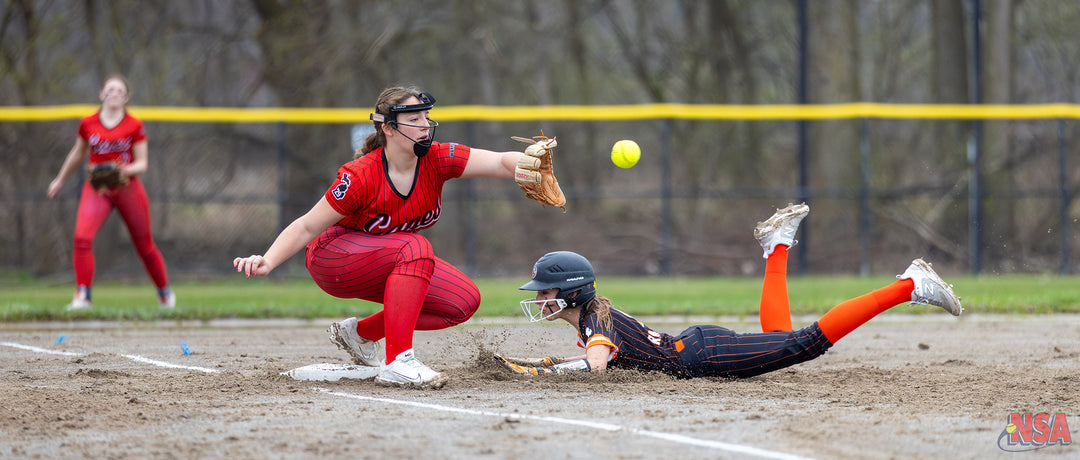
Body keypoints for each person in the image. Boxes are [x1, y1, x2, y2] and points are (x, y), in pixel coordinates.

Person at [233, 86, 559, 388]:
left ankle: (361, 334)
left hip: (390, 259)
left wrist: (526, 164)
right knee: (416, 247)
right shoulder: (361, 175)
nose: (424, 125)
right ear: (388, 128)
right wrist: (268, 259)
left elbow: (501, 162)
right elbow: (307, 226)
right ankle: (399, 361)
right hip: (332, 257)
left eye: (426, 117)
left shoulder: (437, 158)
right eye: (413, 119)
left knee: (462, 302)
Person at [499, 203, 963, 378]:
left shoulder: (596, 321)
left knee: (804, 344)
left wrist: (540, 373)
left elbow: (596, 365)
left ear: (572, 292)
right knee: (782, 334)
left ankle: (909, 285)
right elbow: (589, 356)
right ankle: (776, 246)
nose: (540, 299)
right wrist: (530, 366)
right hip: (700, 345)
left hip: (706, 356)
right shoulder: (590, 318)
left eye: (545, 292)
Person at [46, 74, 175, 311]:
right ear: (101, 94)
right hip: (98, 188)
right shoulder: (88, 123)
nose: (114, 93)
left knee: (144, 246)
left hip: (127, 187)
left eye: (120, 91)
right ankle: (83, 296)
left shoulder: (134, 124)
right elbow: (77, 153)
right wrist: (60, 179)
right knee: (82, 239)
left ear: (126, 97)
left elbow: (142, 163)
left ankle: (165, 294)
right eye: (110, 89)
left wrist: (118, 170)